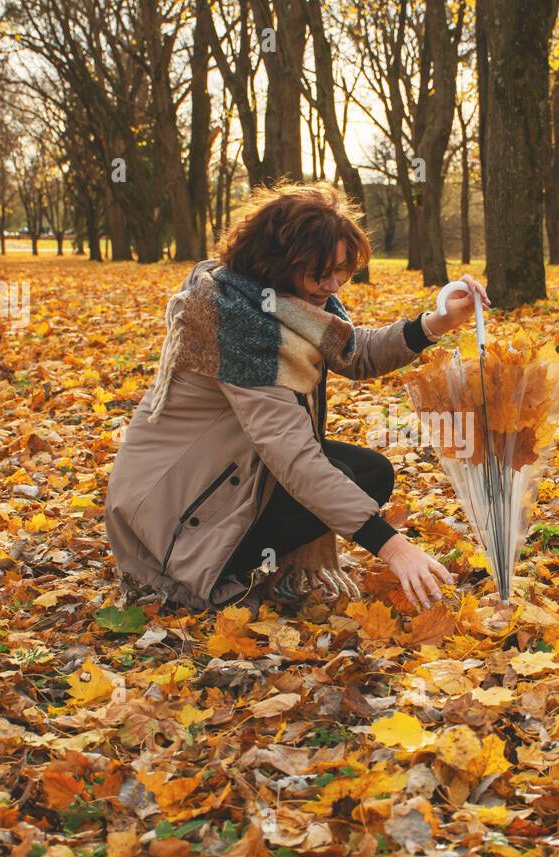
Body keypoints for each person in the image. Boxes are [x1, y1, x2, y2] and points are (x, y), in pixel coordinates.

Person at [105, 180, 489, 614]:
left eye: (343, 269)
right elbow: (293, 458)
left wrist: (434, 323)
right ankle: (217, 567)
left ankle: (268, 561)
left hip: (222, 469)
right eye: (321, 273)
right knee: (337, 474)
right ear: (277, 261)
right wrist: (393, 547)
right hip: (170, 517)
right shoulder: (238, 325)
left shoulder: (278, 302)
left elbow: (354, 351)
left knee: (370, 472)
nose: (335, 283)